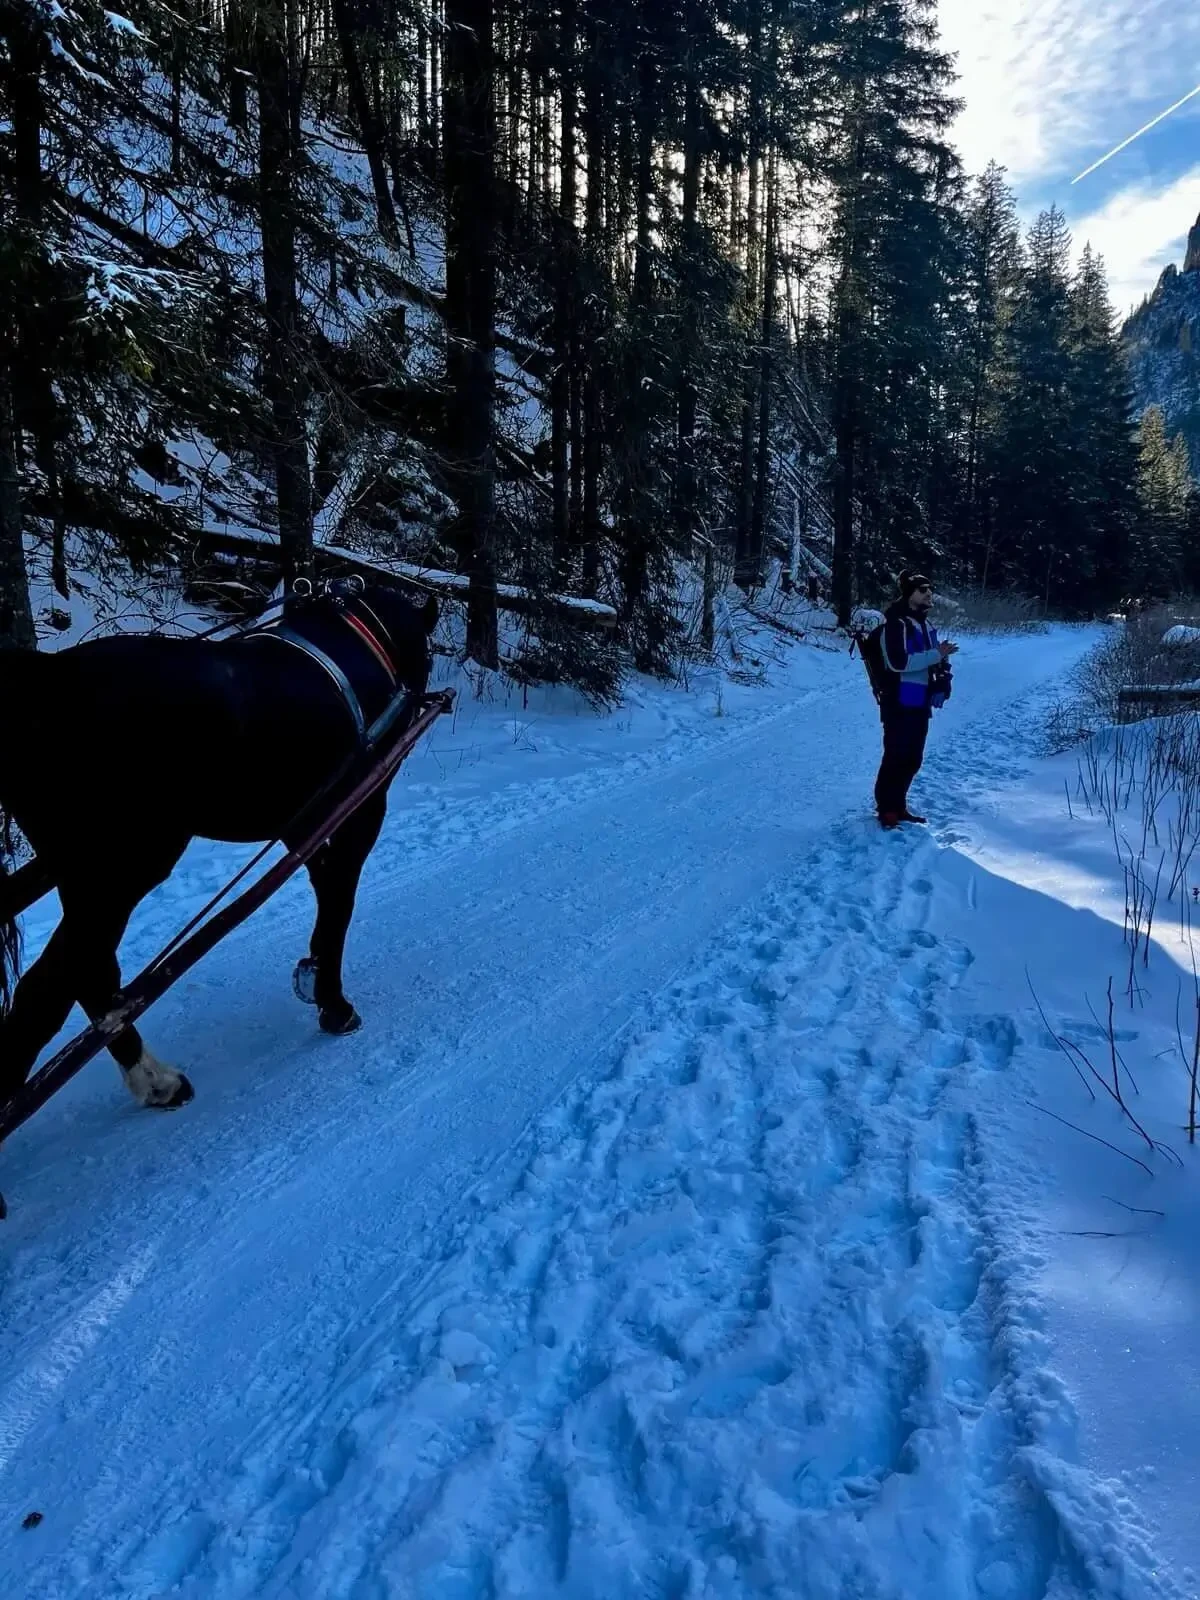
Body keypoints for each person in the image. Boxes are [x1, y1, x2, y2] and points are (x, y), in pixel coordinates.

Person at [874, 571, 957, 829]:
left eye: (930, 591)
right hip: (898, 698)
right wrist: (936, 654)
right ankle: (886, 808)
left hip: (918, 698)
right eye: (923, 591)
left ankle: (899, 805)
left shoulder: (925, 624)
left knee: (913, 757)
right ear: (909, 594)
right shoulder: (895, 623)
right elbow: (898, 662)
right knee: (896, 754)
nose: (929, 595)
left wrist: (943, 677)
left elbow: (935, 659)